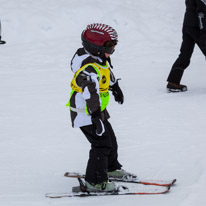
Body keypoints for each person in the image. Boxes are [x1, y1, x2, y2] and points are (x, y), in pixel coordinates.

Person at [66, 23, 135, 192]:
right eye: (110, 46)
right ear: (95, 46)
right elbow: (90, 93)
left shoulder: (99, 58)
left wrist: (115, 87)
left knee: (110, 139)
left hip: (97, 110)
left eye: (113, 46)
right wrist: (96, 117)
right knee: (101, 144)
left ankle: (110, 168)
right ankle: (95, 182)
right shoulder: (87, 68)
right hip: (87, 112)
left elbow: (106, 71)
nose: (112, 50)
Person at [167, 0, 206, 92]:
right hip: (197, 27)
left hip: (187, 25)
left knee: (185, 54)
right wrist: (204, 34)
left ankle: (173, 82)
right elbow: (202, 14)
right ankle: (173, 83)